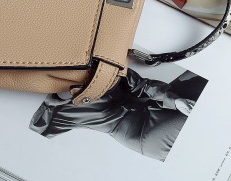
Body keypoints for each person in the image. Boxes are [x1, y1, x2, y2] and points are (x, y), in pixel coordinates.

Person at [29, 69, 207, 162]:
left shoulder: (101, 70)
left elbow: (141, 85)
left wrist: (174, 100)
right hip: (141, 133)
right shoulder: (48, 118)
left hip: (153, 110)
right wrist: (51, 102)